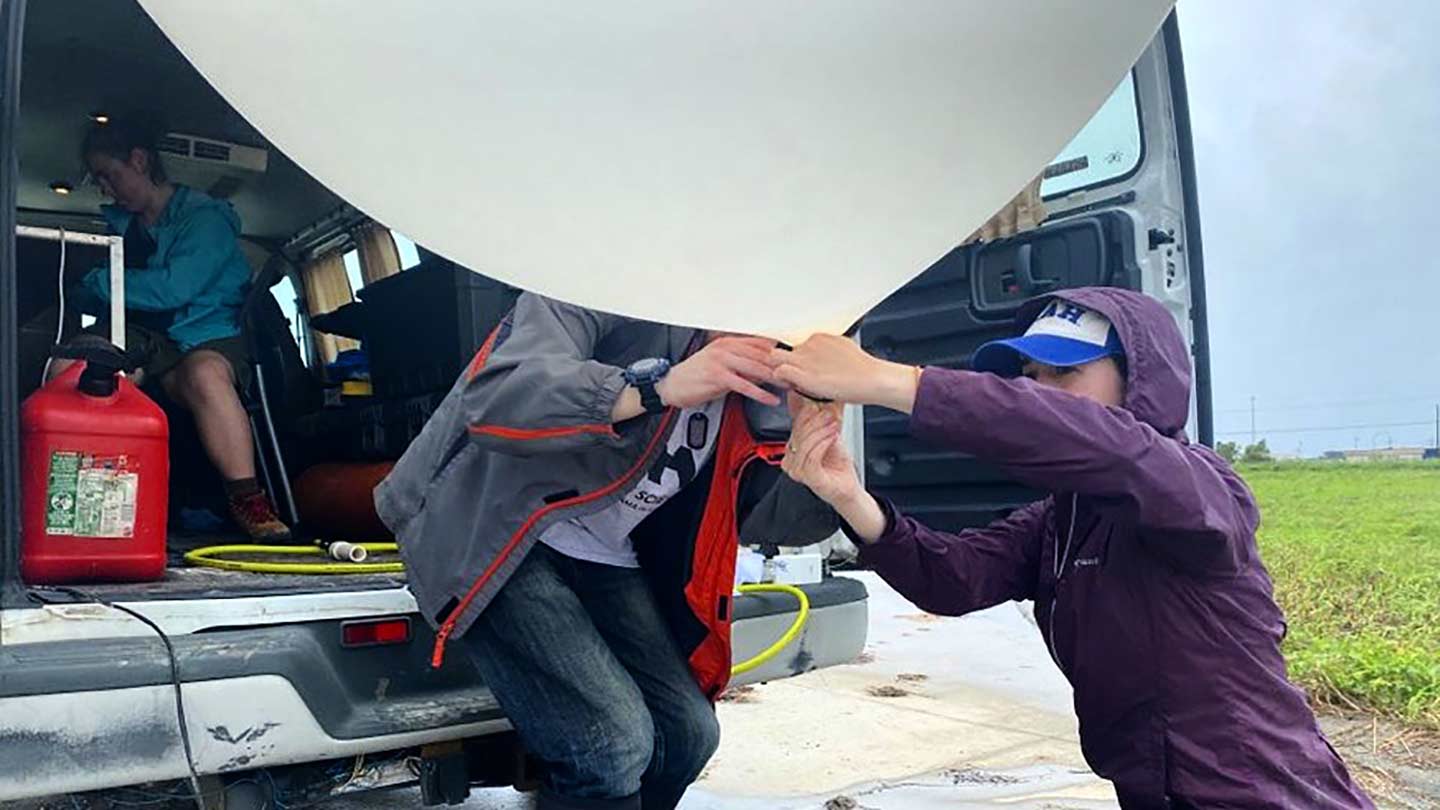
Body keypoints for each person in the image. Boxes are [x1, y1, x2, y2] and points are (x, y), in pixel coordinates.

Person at [769, 287, 1374, 809]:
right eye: (1031, 379)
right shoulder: (1061, 520)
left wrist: (883, 379)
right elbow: (953, 580)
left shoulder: (1198, 488)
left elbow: (1116, 451)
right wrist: (848, 496)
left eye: (1066, 373)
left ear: (1140, 382)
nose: (1041, 391)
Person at [375, 293, 838, 810]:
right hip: (501, 528)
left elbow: (768, 521)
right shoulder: (604, 281)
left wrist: (819, 463)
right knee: (611, 746)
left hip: (603, 551)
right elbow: (498, 396)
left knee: (689, 736)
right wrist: (658, 386)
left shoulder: (761, 385)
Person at [50, 116, 291, 541]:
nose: (104, 187)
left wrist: (101, 282)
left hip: (206, 332)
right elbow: (100, 296)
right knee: (77, 365)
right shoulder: (121, 227)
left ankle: (248, 500)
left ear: (139, 161)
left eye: (109, 175)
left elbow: (174, 289)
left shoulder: (206, 220)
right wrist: (83, 288)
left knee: (205, 376)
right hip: (145, 336)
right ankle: (76, 501)